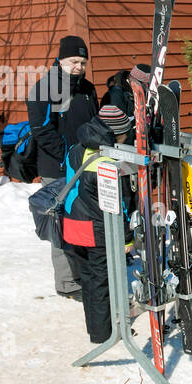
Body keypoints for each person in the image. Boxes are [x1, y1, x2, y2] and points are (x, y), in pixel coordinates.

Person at [25, 35, 99, 298]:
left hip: (87, 166)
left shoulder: (88, 89)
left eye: (83, 62)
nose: (79, 66)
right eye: (73, 61)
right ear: (60, 59)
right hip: (58, 168)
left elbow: (95, 124)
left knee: (85, 222)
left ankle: (86, 273)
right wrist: (67, 158)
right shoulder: (45, 88)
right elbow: (41, 130)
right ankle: (67, 283)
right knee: (62, 224)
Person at [60, 104, 137, 344]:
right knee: (102, 280)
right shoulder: (106, 163)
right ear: (113, 134)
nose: (128, 137)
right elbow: (118, 206)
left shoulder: (76, 148)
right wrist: (128, 238)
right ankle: (103, 335)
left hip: (72, 222)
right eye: (125, 133)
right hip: (95, 229)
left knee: (89, 280)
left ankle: (95, 328)